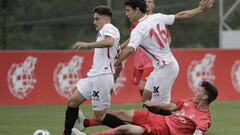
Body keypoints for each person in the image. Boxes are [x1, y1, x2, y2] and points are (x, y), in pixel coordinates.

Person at [115, 0, 214, 113]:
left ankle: (181, 121)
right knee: (146, 99)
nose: (126, 14)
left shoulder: (138, 29)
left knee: (158, 106)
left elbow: (130, 49)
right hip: (162, 67)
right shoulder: (157, 17)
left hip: (165, 68)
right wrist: (200, 9)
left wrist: (114, 63)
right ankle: (160, 124)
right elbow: (180, 16)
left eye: (128, 10)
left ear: (137, 10)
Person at [62, 5, 123, 135]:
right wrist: (112, 82)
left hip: (101, 76)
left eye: (97, 18)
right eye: (94, 19)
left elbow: (109, 42)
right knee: (73, 101)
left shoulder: (109, 28)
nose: (94, 22)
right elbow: (119, 65)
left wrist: (87, 44)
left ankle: (132, 131)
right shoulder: (104, 32)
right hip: (95, 76)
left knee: (99, 117)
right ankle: (66, 133)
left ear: (106, 18)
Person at [71, 81, 218, 135]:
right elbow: (173, 106)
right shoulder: (190, 102)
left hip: (163, 131)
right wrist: (155, 104)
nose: (196, 92)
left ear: (205, 97)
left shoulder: (204, 119)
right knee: (122, 113)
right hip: (158, 119)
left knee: (124, 129)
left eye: (200, 91)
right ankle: (86, 123)